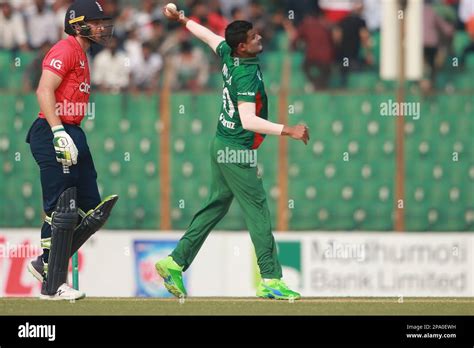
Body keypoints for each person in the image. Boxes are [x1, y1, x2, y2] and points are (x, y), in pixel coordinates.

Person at [155, 5, 309, 300]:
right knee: (258, 210)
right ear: (242, 47)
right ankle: (270, 279)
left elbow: (208, 36)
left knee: (216, 206)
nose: (259, 37)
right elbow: (248, 120)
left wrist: (183, 19)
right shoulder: (246, 76)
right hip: (236, 150)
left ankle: (174, 262)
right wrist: (288, 129)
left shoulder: (228, 52)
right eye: (254, 37)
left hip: (220, 143)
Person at [26, 0, 118, 301]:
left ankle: (46, 264)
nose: (102, 27)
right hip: (53, 130)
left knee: (91, 211)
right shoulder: (65, 49)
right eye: (96, 22)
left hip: (73, 131)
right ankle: (53, 285)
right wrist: (57, 132)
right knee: (62, 208)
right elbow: (43, 90)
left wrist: (68, 133)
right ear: (78, 24)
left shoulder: (83, 54)